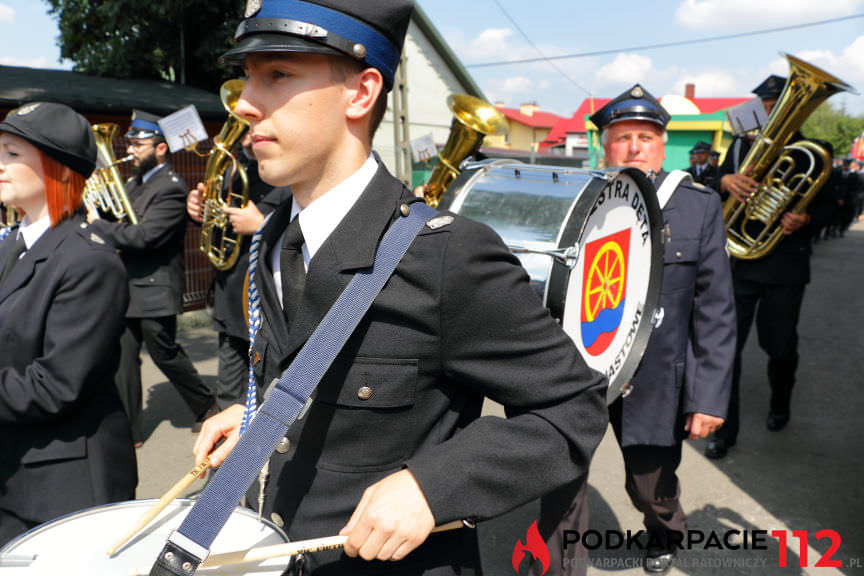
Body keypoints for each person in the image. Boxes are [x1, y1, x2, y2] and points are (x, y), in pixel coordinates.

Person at [193, 1, 608, 574]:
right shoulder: (279, 239)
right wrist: (259, 417)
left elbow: (572, 408)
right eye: (247, 77)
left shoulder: (446, 253)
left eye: (278, 75)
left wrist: (430, 487)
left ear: (361, 94)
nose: (242, 102)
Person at [589, 85, 735, 573]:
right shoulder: (579, 198)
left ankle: (664, 533)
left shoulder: (697, 205)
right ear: (603, 145)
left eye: (646, 136)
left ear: (662, 144)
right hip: (579, 370)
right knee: (559, 484)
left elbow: (715, 308)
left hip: (652, 378)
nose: (634, 146)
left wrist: (709, 398)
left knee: (649, 486)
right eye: (623, 136)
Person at [0, 102, 137, 545]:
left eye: (11, 154)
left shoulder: (89, 260)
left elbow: (54, 385)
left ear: (58, 168)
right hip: (15, 468)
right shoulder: (12, 246)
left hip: (61, 486)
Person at [706, 75, 833, 459]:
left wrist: (806, 219)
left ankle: (781, 402)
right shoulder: (737, 148)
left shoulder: (815, 150)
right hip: (739, 266)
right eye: (765, 104)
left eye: (776, 103)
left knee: (778, 345)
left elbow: (832, 204)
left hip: (784, 267)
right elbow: (706, 186)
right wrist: (723, 179)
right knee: (727, 350)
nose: (769, 110)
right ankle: (724, 432)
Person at [88, 110, 216, 446]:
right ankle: (129, 431)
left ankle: (207, 406)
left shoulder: (171, 188)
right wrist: (96, 205)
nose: (131, 149)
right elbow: (119, 221)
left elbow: (144, 237)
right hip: (128, 285)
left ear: (161, 148)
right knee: (124, 358)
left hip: (155, 286)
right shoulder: (132, 182)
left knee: (165, 353)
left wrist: (98, 224)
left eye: (138, 143)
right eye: (129, 142)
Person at [187, 132, 291, 408]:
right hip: (230, 290)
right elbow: (216, 221)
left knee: (267, 384)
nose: (248, 132)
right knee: (229, 386)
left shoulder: (289, 171)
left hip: (266, 296)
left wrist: (262, 225)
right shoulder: (232, 170)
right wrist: (199, 210)